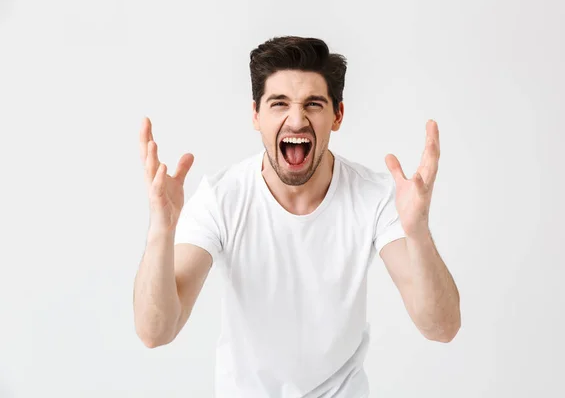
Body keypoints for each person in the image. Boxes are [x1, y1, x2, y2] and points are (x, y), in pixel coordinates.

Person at [133, 35, 461, 397]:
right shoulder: (221, 198)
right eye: (279, 103)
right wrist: (160, 232)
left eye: (313, 104)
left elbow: (441, 327)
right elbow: (155, 332)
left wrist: (417, 233)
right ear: (256, 114)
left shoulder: (374, 196)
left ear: (337, 115)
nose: (296, 119)